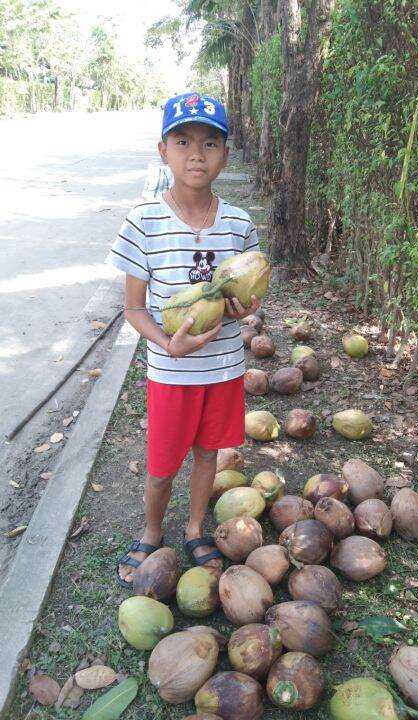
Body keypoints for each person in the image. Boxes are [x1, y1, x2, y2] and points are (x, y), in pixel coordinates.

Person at [106, 92, 261, 586]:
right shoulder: (144, 222)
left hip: (223, 368)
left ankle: (194, 525)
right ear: (163, 150)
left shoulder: (238, 223)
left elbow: (252, 290)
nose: (197, 153)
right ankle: (152, 531)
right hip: (171, 370)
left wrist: (245, 308)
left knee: (208, 454)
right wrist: (164, 343)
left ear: (226, 155)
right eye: (183, 141)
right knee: (162, 462)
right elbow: (133, 307)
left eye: (210, 143)